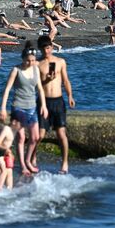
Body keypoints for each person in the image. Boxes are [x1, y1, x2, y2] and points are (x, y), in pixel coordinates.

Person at [0, 43, 48, 176]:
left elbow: (40, 89)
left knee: (35, 137)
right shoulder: (16, 70)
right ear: (22, 59)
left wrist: (43, 105)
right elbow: (7, 89)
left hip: (32, 107)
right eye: (28, 60)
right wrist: (3, 108)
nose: (30, 62)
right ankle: (23, 165)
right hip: (18, 106)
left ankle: (28, 160)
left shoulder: (35, 69)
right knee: (21, 137)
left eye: (32, 60)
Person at [37, 36, 75, 174]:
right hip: (43, 101)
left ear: (52, 47)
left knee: (61, 133)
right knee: (39, 134)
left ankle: (65, 163)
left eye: (48, 48)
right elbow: (36, 85)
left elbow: (66, 80)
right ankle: (33, 160)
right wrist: (46, 79)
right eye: (43, 48)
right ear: (40, 49)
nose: (46, 51)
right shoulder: (37, 64)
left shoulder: (60, 62)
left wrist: (70, 95)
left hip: (58, 100)